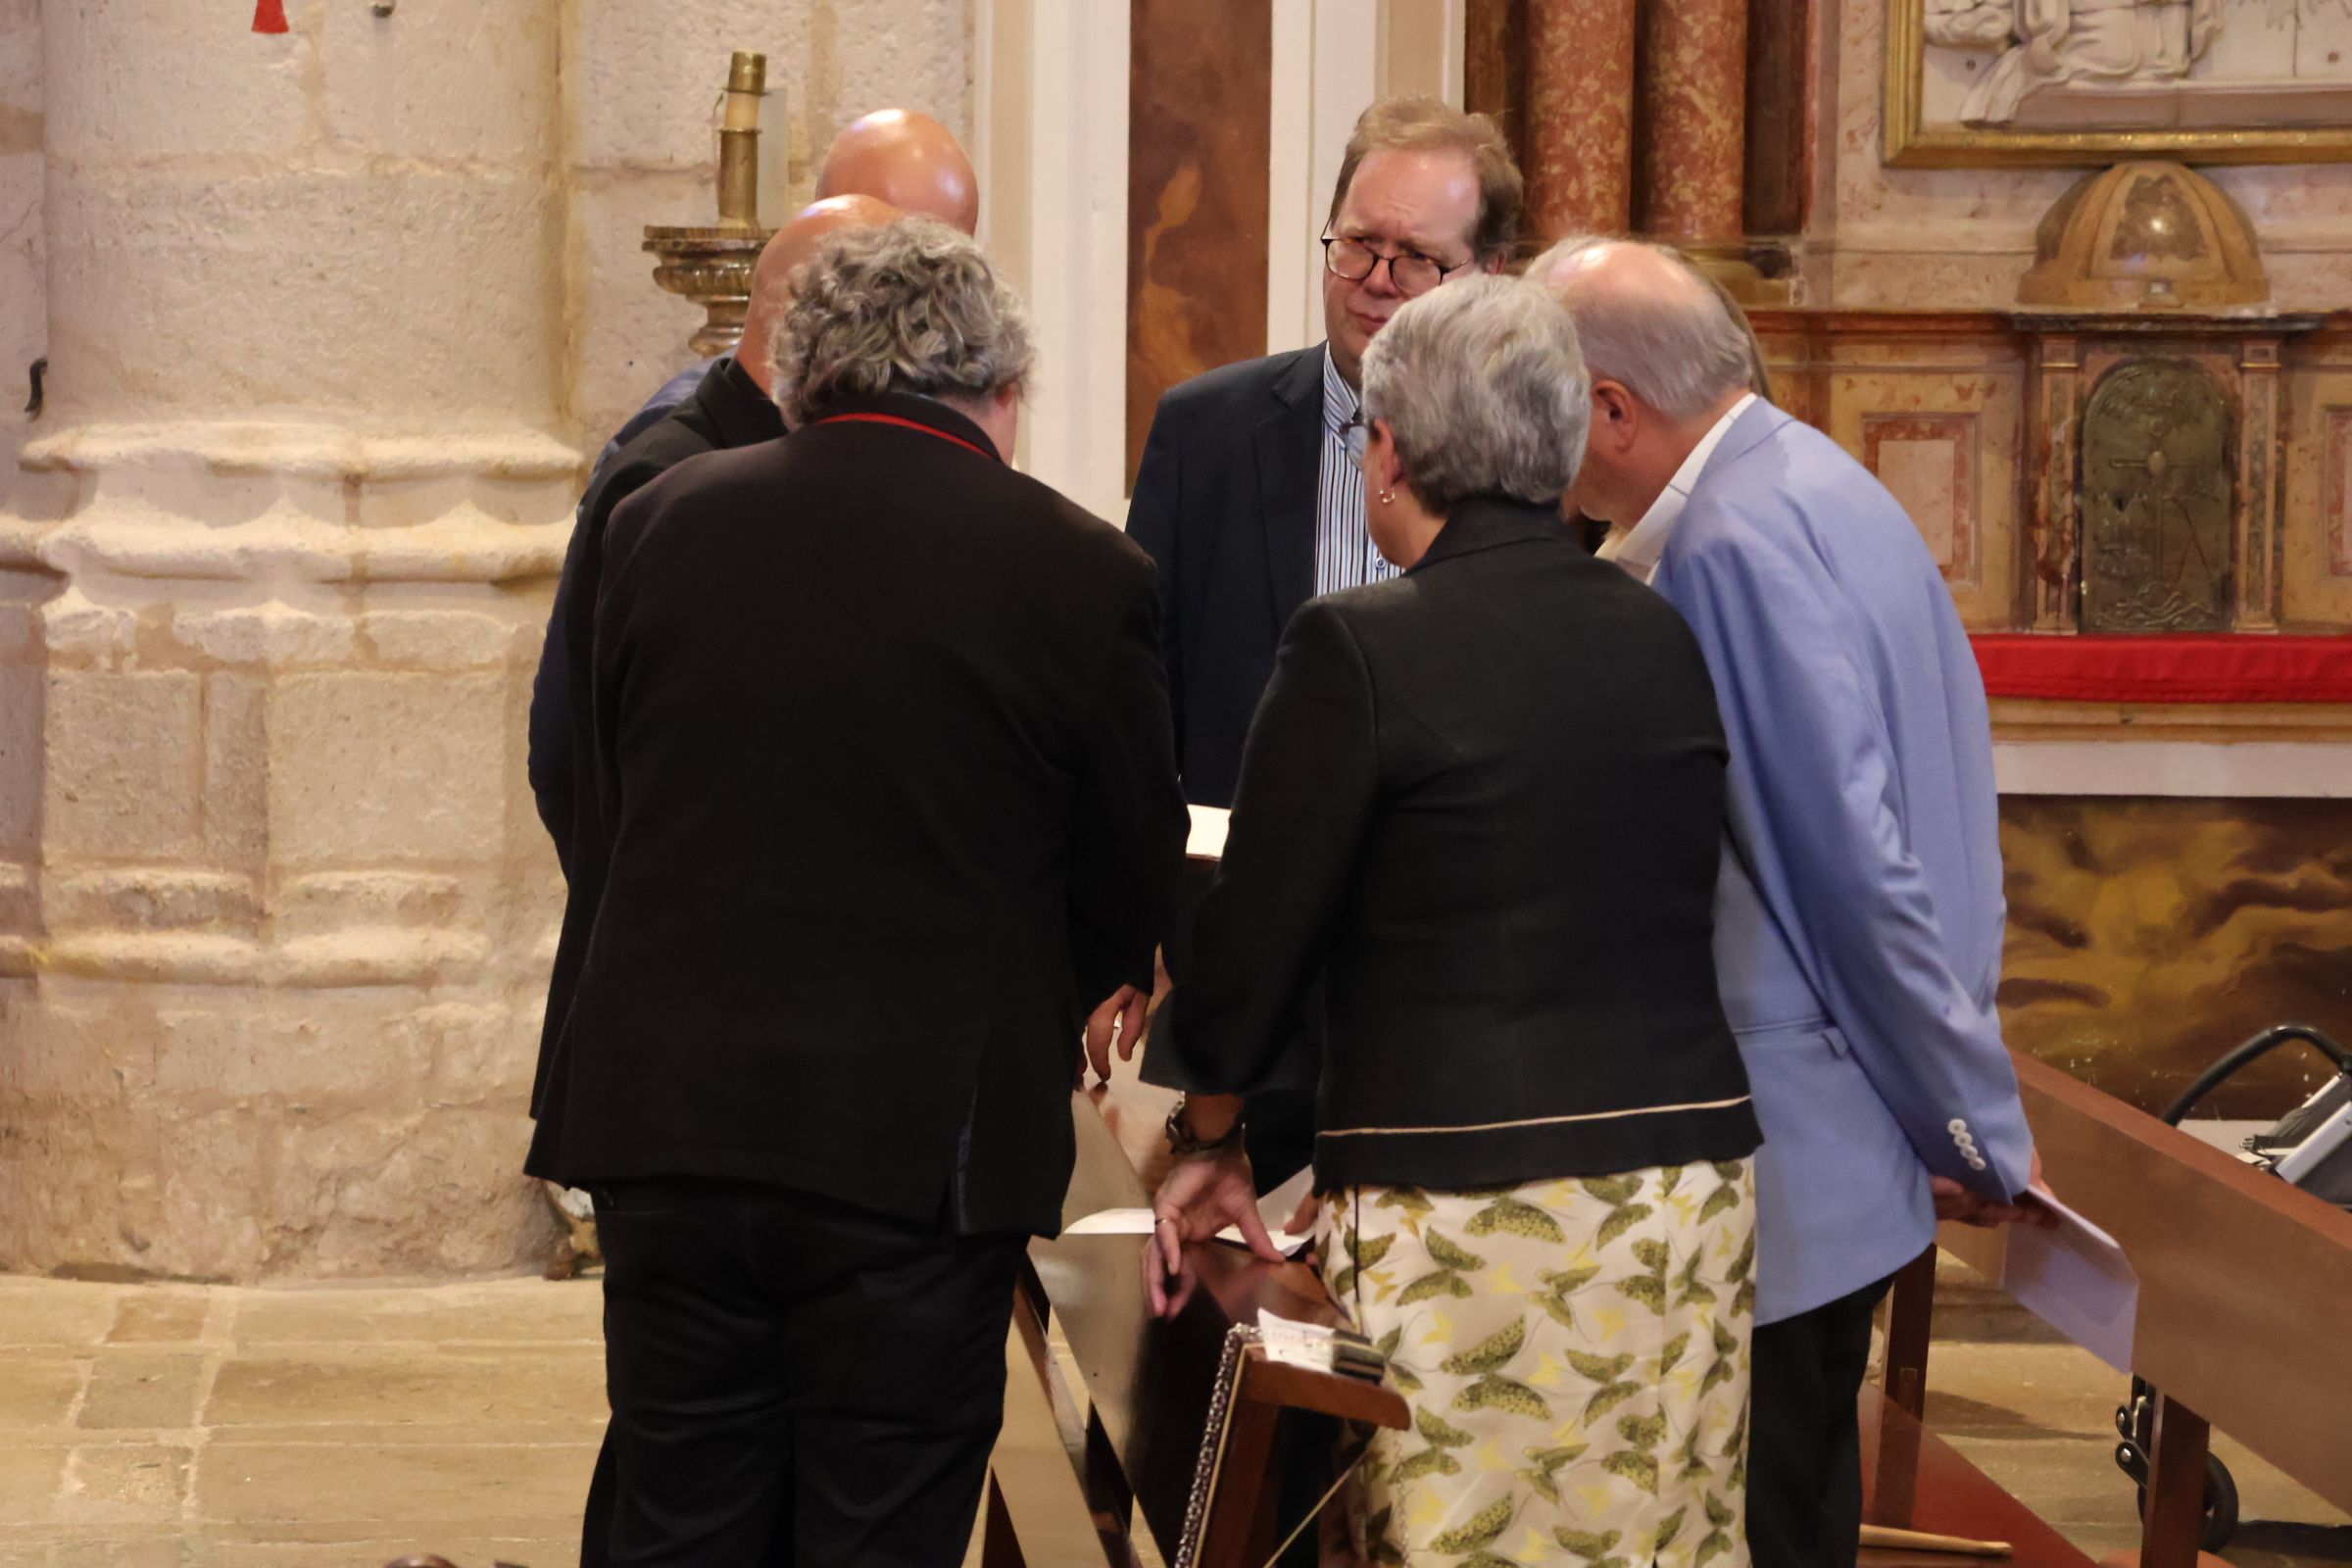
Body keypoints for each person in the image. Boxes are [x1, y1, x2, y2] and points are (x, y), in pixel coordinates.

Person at [529, 218, 1188, 1566]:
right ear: (1004, 390)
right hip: (917, 1161)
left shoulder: (658, 524)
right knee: (876, 1529)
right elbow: (1129, 870)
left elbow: (603, 804)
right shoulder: (1081, 572)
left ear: (800, 377)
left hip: (668, 1131)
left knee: (680, 1511)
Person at [1136, 274, 1763, 1566]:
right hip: (1687, 1196)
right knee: (1654, 1539)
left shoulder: (1359, 648)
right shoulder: (1657, 632)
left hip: (1473, 1207)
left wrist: (1209, 1132)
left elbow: (1256, 937)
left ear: (1394, 451)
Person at [1533, 237, 2052, 1568]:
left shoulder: (1726, 542)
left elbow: (1851, 866)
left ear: (1608, 407)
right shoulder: (1823, 479)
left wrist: (1968, 1116)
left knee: (1769, 1523)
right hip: (1850, 1137)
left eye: (1547, 405)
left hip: (1796, 1152)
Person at [1126, 94, 1523, 1192]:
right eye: (1359, 243)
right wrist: (1122, 932)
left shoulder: (1537, 459)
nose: (1376, 279)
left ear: (1486, 271)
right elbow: (1134, 697)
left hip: (1455, 993)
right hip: (1245, 986)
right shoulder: (1206, 430)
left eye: (1416, 257)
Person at [528, 194, 897, 877]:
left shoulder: (796, 467)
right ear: (808, 322)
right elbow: (571, 756)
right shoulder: (671, 479)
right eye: (892, 332)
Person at [592, 109, 983, 467]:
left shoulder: (952, 418)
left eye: (944, 269)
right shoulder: (672, 452)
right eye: (893, 266)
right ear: (820, 230)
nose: (920, 300)